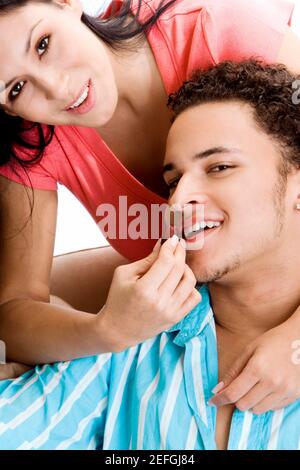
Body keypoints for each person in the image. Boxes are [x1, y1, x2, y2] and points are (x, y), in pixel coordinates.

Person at [0, 0, 300, 412]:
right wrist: (107, 330)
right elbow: (15, 310)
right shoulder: (34, 141)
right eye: (16, 88)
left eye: (43, 44)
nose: (55, 86)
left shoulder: (215, 29)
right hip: (198, 288)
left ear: (64, 4)